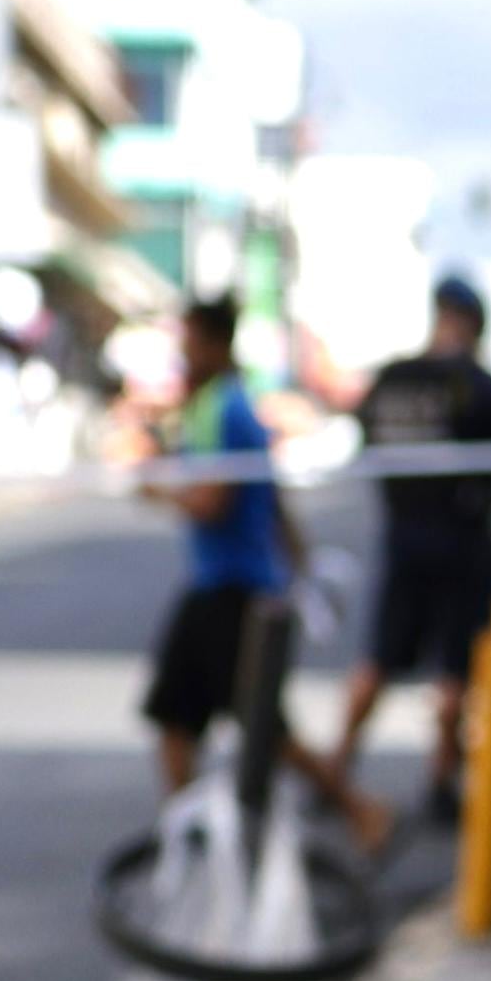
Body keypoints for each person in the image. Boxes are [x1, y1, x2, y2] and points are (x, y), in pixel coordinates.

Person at [136, 295, 386, 845]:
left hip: (231, 588)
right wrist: (300, 568)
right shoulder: (230, 406)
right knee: (189, 718)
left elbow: (213, 502)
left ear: (214, 344)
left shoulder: (223, 409)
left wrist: (156, 487)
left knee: (257, 727)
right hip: (234, 585)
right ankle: (193, 831)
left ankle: (355, 809)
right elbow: (272, 501)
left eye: (191, 343)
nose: (184, 354)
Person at [327, 273, 491, 824]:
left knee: (380, 659)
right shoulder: (479, 386)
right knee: (455, 670)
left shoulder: (393, 378)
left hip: (405, 539)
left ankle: (338, 767)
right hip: (460, 545)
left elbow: (368, 439)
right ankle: (441, 779)